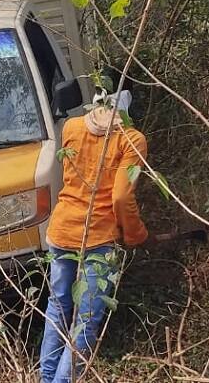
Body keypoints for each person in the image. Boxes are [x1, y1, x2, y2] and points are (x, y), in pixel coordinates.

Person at [40, 74, 148, 383]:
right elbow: (121, 196)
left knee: (58, 308)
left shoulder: (71, 128)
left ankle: (46, 379)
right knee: (86, 321)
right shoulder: (132, 140)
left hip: (60, 231)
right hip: (98, 239)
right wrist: (135, 234)